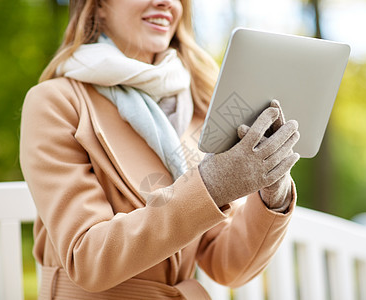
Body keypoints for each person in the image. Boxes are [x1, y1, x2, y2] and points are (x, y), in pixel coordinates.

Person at [19, 0, 300, 299]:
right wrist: (212, 186)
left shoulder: (198, 107)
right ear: (98, 6)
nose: (166, 2)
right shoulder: (56, 102)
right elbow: (86, 257)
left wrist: (274, 192)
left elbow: (229, 266)